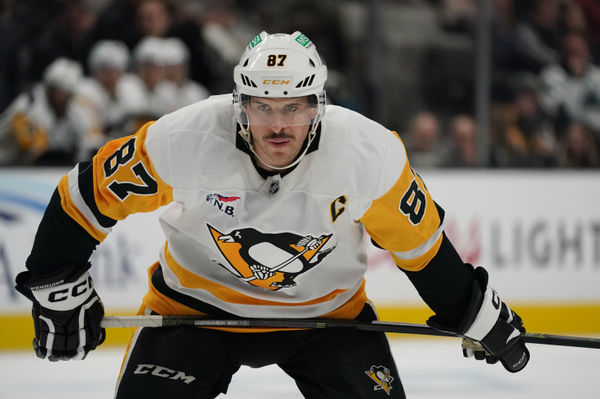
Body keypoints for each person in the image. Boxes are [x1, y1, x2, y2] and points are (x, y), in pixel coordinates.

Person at [14, 32, 529, 398]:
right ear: (241, 105)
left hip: (326, 321)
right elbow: (83, 197)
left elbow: (422, 251)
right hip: (194, 313)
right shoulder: (185, 138)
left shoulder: (368, 153)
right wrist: (55, 287)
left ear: (317, 106)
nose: (278, 124)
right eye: (263, 106)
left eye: (294, 106)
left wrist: (474, 311)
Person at [0, 57, 103, 165]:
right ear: (48, 87)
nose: (58, 96)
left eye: (63, 92)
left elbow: (92, 139)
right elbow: (30, 145)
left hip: (44, 168)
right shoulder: (28, 104)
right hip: (7, 164)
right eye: (55, 90)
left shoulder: (76, 109)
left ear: (70, 94)